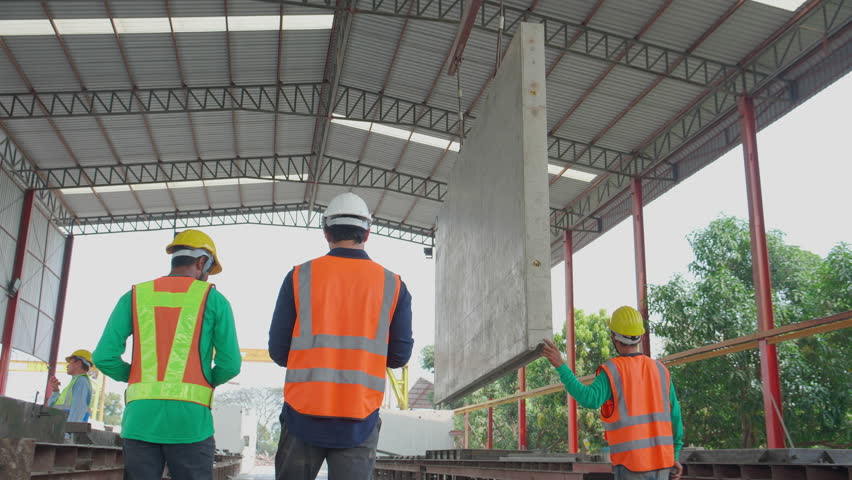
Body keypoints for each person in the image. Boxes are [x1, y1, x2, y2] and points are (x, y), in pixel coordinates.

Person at [269, 192, 414, 480]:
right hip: (359, 419)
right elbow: (399, 357)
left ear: (326, 232)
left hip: (303, 414)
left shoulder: (299, 277)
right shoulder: (392, 284)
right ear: (367, 233)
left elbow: (278, 350)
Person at [92, 229, 241, 480]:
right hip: (190, 423)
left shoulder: (135, 295)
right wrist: (204, 379)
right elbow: (230, 364)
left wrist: (137, 376)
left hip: (140, 421)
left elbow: (104, 357)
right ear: (201, 262)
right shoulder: (214, 300)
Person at [542, 306, 684, 480]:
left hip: (631, 465)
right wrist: (675, 454)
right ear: (640, 336)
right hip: (663, 462)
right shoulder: (661, 370)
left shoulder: (613, 371)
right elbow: (675, 416)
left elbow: (590, 399)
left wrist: (561, 366)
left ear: (613, 337)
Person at [48, 349, 94, 423]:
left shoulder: (81, 382)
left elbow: (78, 409)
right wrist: (55, 390)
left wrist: (70, 432)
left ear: (78, 363)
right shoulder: (76, 382)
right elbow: (55, 407)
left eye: (70, 363)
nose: (67, 366)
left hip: (68, 431)